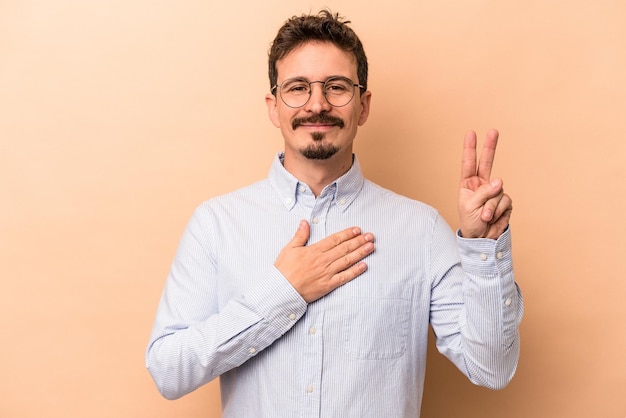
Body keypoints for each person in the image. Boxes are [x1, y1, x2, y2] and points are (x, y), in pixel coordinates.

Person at [145, 9, 523, 417]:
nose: (317, 104)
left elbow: (491, 369)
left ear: (363, 105)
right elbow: (168, 370)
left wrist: (484, 250)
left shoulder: (422, 230)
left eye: (337, 87)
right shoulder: (216, 224)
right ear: (274, 107)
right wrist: (282, 291)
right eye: (297, 88)